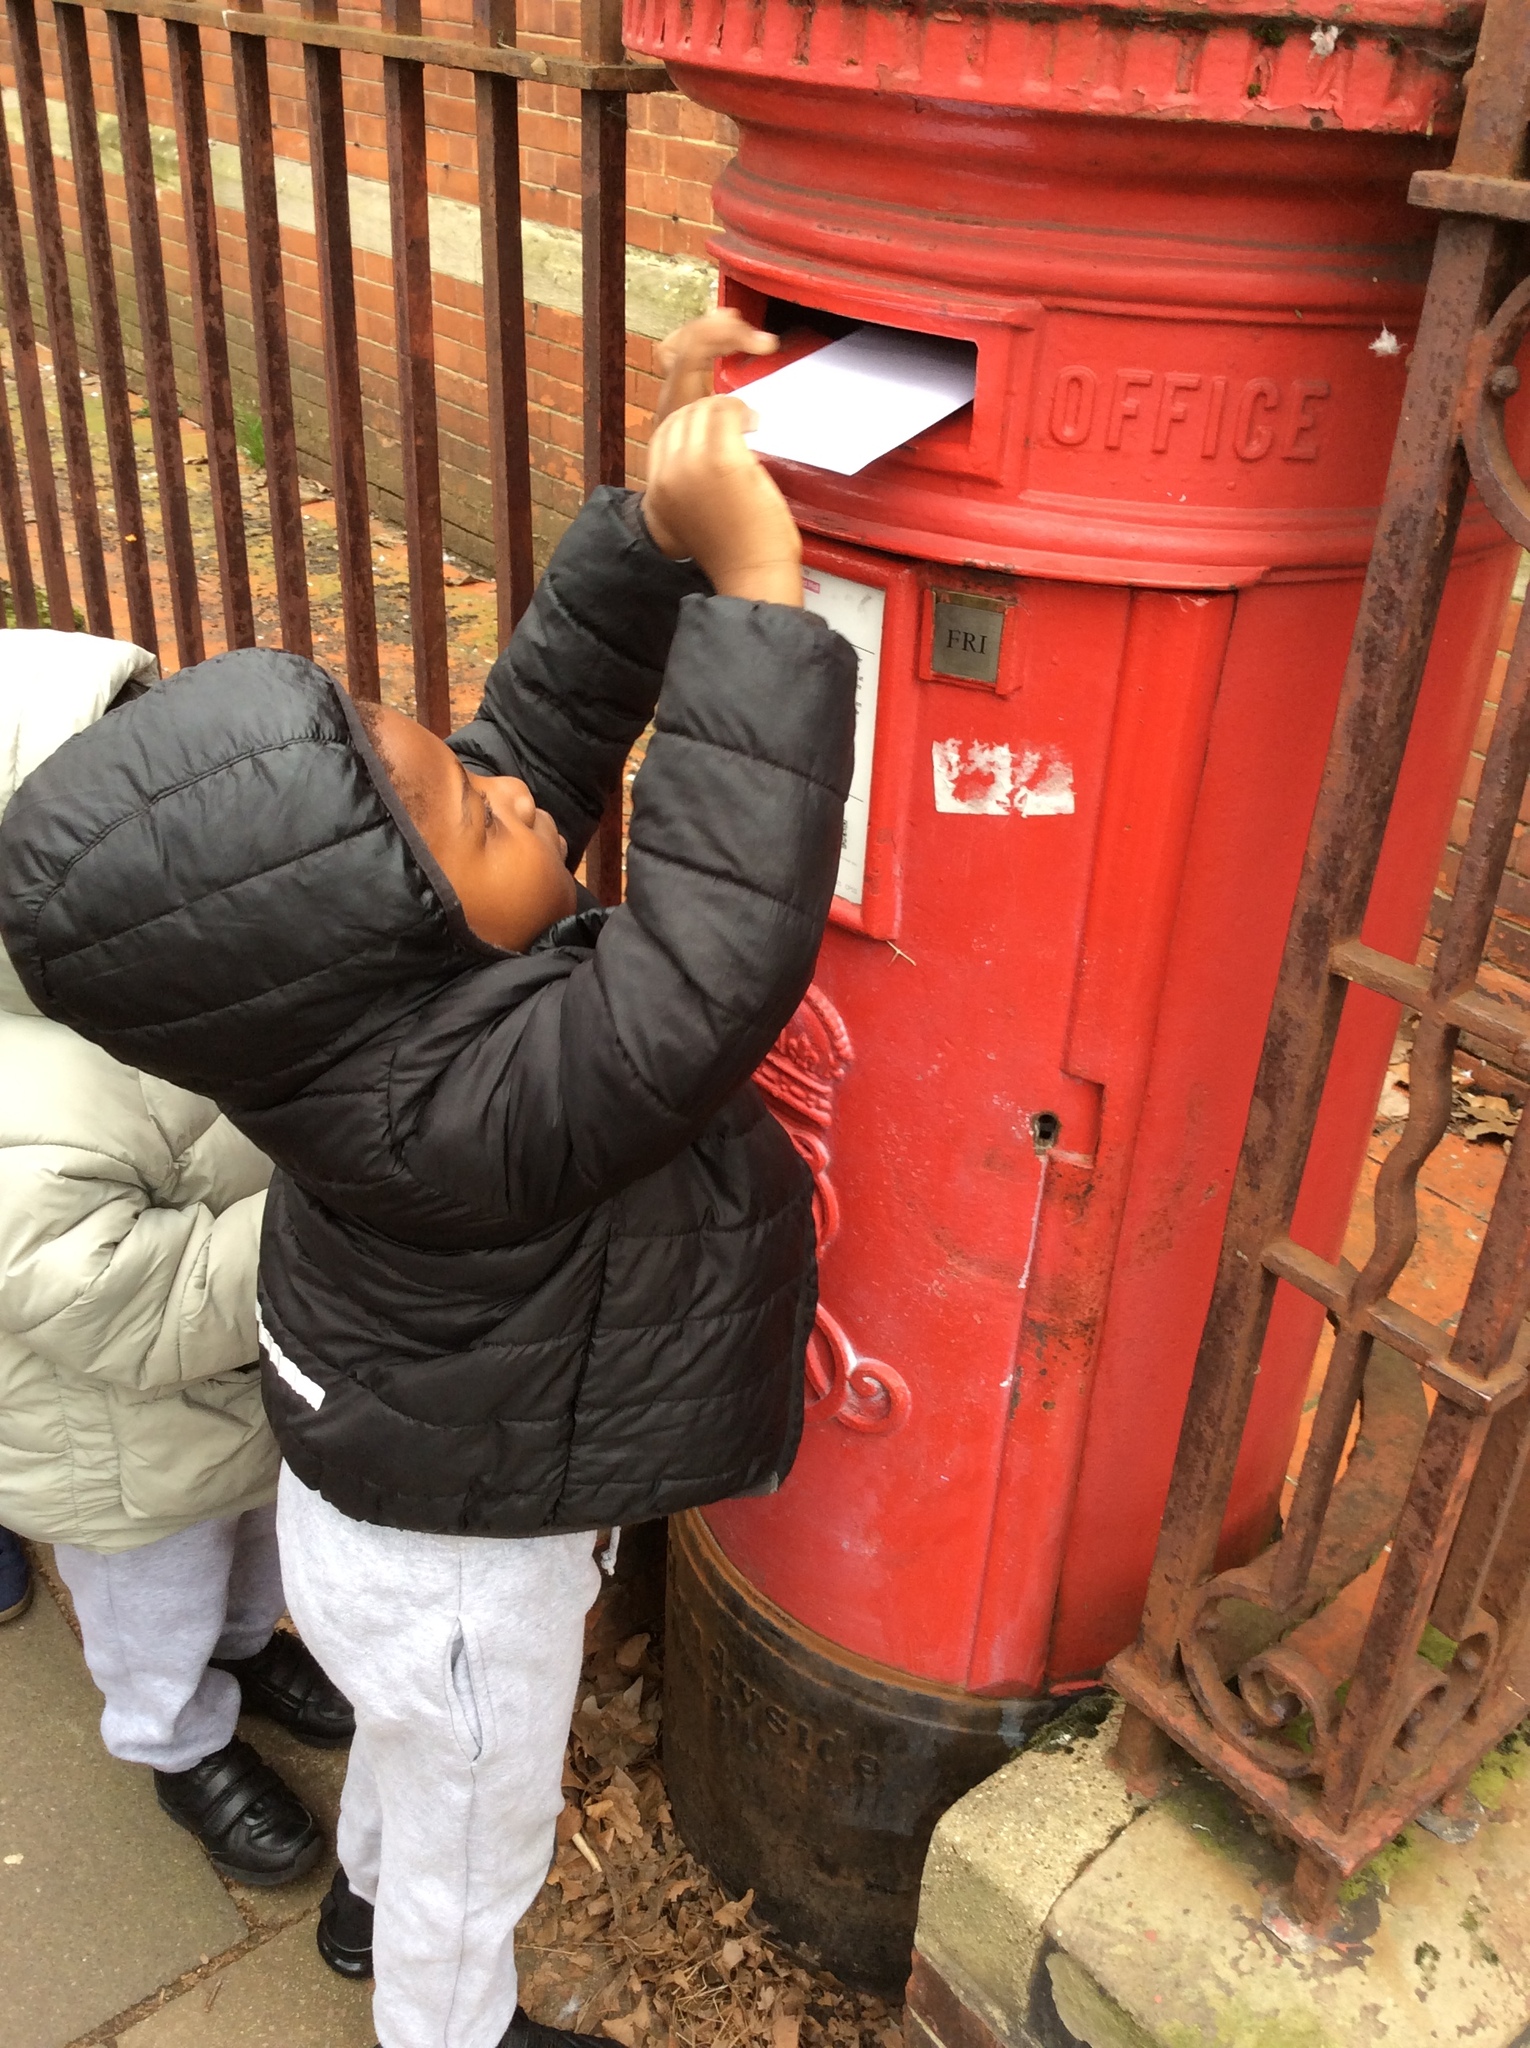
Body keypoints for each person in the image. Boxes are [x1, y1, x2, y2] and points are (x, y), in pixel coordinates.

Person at [0, 319, 855, 2048]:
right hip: (461, 1557)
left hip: (411, 1482)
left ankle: (362, 1905)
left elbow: (536, 734)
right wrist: (759, 599)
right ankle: (441, 2024)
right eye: (472, 817)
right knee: (482, 1829)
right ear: (387, 939)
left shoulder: (350, 1009)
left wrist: (645, 536)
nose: (514, 800)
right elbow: (705, 970)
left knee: (417, 1762)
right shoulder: (447, 1113)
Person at [0, 631, 352, 1887]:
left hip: (239, 1369)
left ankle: (247, 1647)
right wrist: (333, 1201)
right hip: (115, 1443)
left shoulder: (175, 957)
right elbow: (122, 1303)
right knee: (154, 1595)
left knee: (253, 1532)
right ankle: (175, 1733)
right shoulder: (18, 1094)